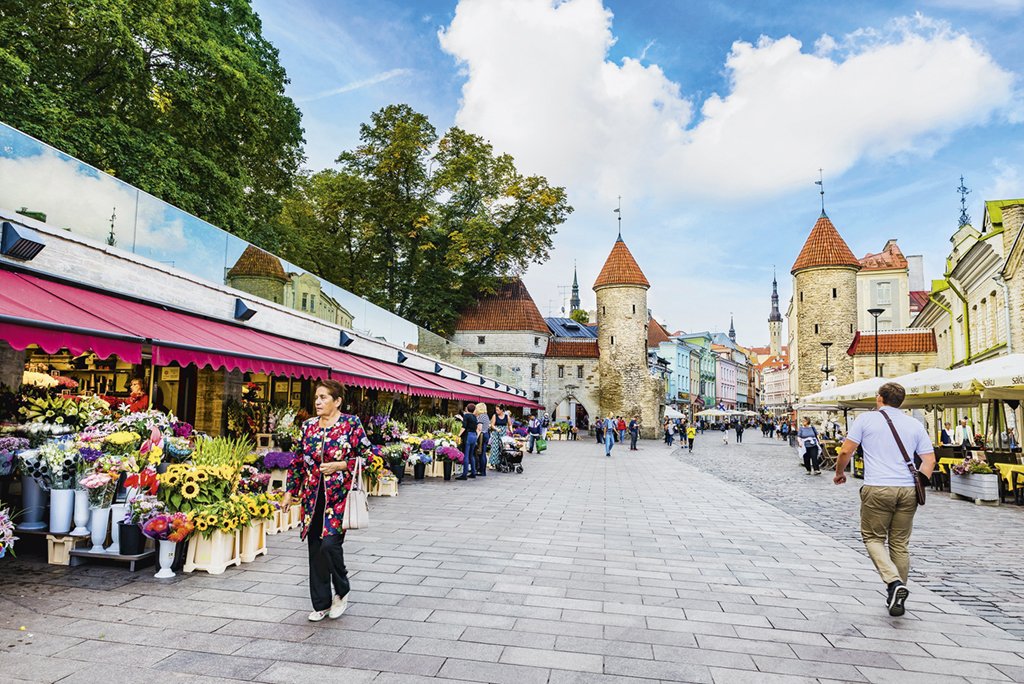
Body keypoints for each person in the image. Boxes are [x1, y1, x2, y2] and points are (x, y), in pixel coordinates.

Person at [833, 382, 935, 617]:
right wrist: (920, 483)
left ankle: (893, 583)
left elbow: (846, 451)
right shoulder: (914, 424)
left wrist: (839, 473)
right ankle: (896, 595)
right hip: (908, 489)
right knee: (900, 543)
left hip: (878, 486)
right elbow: (929, 460)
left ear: (879, 398)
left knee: (873, 537)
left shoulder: (865, 420)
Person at [282, 379, 370, 621]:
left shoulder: (351, 424)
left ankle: (342, 590)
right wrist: (290, 491)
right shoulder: (308, 427)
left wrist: (342, 465)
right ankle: (321, 603)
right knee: (315, 550)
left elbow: (370, 457)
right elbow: (298, 461)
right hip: (312, 498)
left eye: (323, 398)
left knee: (329, 545)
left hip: (339, 498)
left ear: (337, 401)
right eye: (317, 398)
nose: (318, 402)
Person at [457, 403, 479, 479]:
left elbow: (464, 427)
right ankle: (473, 472)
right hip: (474, 436)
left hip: (468, 435)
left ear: (467, 408)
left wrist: (458, 435)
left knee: (466, 455)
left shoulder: (466, 416)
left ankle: (464, 474)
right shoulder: (475, 417)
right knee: (472, 455)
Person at [474, 403, 490, 477]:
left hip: (481, 435)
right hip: (486, 434)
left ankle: (481, 471)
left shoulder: (480, 416)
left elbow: (479, 428)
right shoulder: (486, 416)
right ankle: (483, 471)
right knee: (483, 453)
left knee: (480, 453)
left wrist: (476, 437)